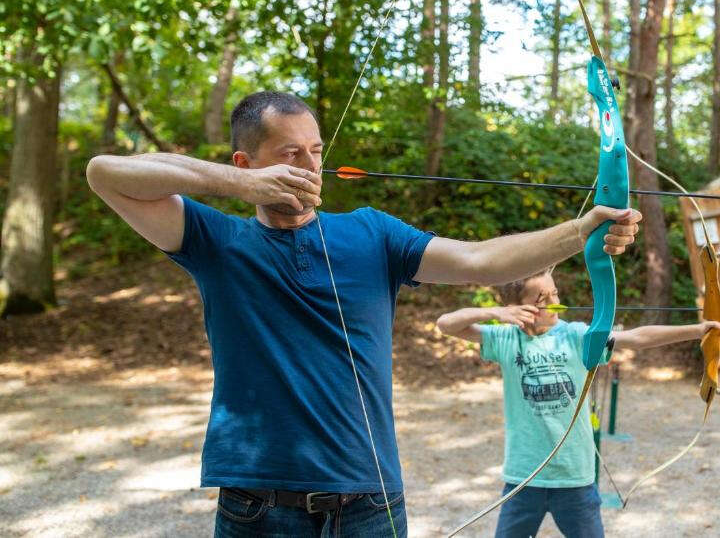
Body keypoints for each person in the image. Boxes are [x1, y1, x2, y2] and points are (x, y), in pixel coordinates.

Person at [85, 91, 642, 537]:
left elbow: (480, 260)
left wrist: (581, 231)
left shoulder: (371, 233)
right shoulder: (216, 239)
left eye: (317, 151)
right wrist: (237, 185)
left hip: (370, 504)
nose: (310, 166)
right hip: (259, 507)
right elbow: (104, 172)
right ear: (245, 162)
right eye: (289, 155)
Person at [435, 268, 720, 538]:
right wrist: (497, 312)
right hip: (524, 478)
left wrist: (698, 330)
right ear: (520, 307)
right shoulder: (504, 339)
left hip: (574, 477)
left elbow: (636, 338)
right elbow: (445, 324)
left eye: (555, 294)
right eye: (542, 299)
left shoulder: (575, 335)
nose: (554, 301)